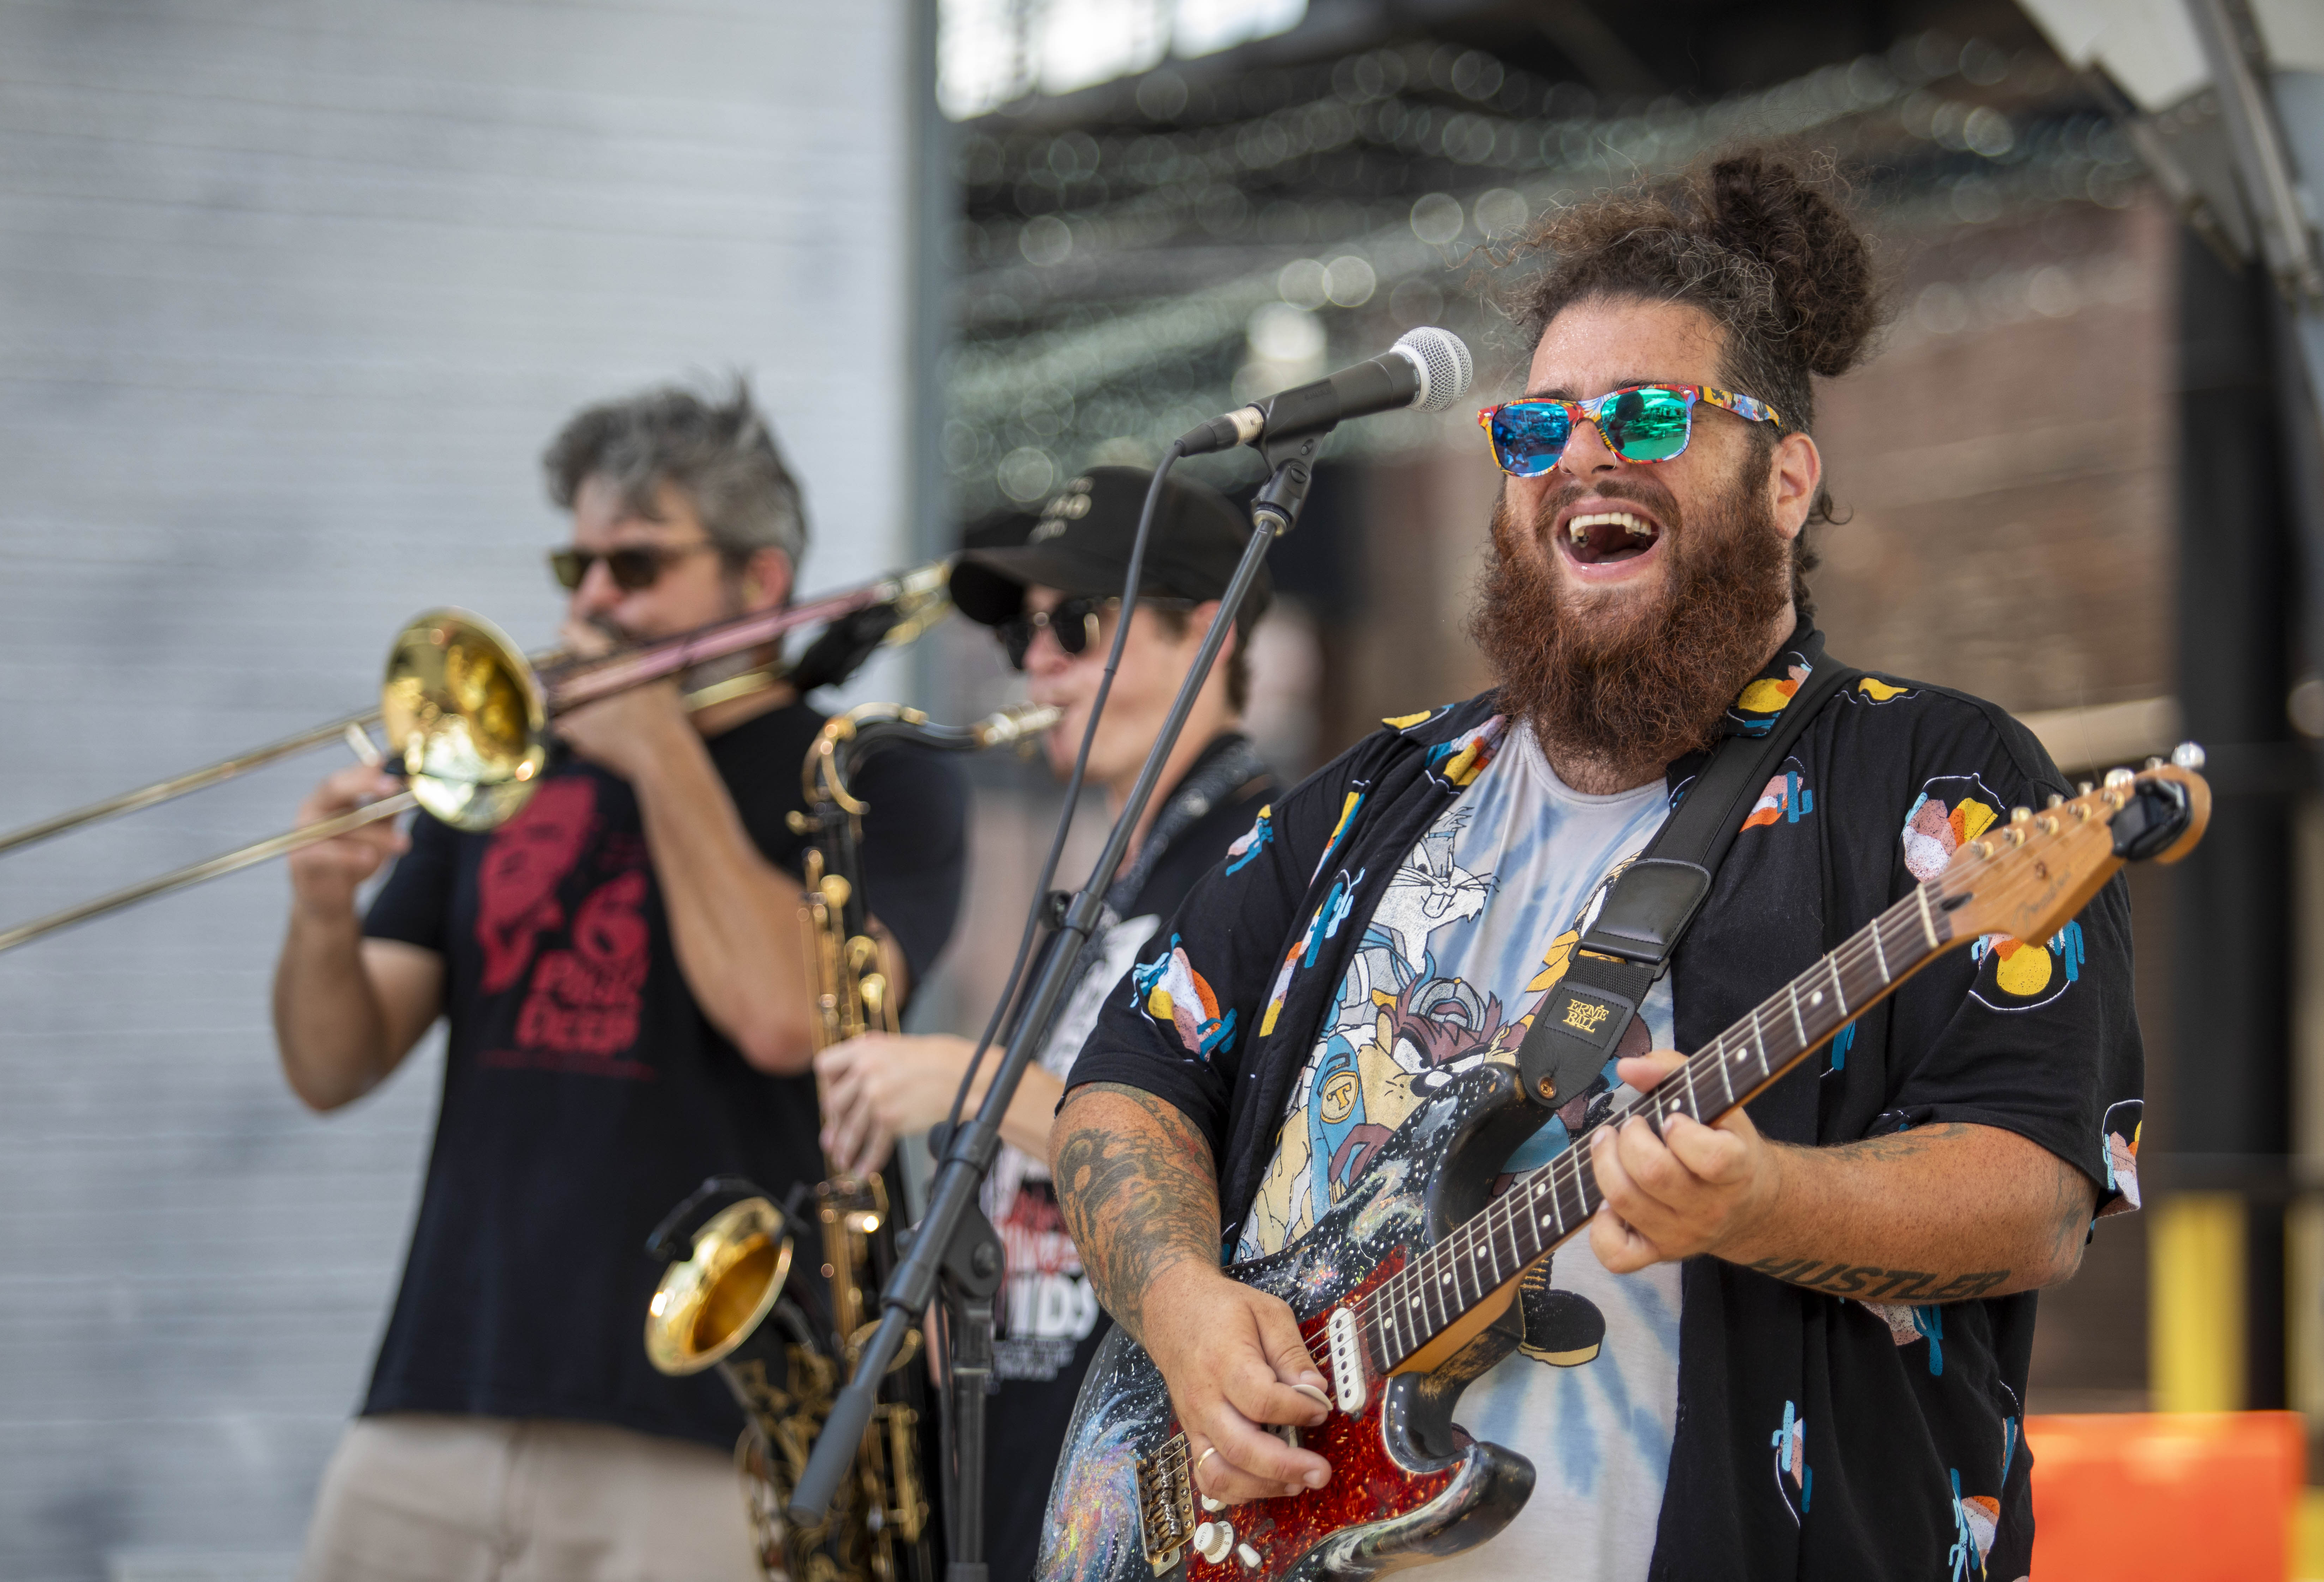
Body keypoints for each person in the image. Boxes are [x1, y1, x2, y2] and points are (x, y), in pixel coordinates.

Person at [1043, 153, 2142, 1582]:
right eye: (1534, 425)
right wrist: (1185, 1306)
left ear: (1784, 478)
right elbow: (1128, 1076)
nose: (1581, 454)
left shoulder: (1937, 782)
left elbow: (2034, 1193)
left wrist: (1764, 1202)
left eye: (1642, 414)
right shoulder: (1376, 793)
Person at [274, 382, 969, 1581]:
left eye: (635, 567)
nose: (591, 601)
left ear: (758, 583)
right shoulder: (501, 781)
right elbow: (333, 1066)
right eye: (577, 563)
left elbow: (780, 1018)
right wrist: (322, 912)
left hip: (708, 1428)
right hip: (444, 1385)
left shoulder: (871, 774)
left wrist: (658, 749)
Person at [814, 467, 1279, 1582]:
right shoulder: (1117, 875)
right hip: (1022, 1453)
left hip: (1141, 1474)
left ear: (1204, 637)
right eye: (1024, 640)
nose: (1037, 667)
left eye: (1074, 626)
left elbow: (1235, 1166)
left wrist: (967, 1086)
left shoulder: (1266, 858)